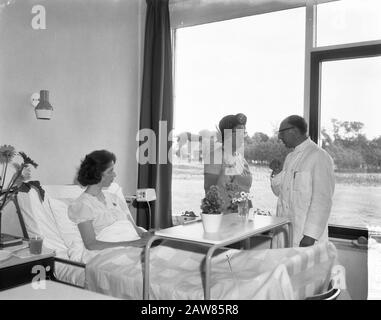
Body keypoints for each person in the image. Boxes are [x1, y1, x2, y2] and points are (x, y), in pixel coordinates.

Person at [270, 115, 335, 247]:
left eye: (281, 132)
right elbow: (279, 192)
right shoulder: (290, 157)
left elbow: (322, 200)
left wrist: (310, 236)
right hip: (284, 231)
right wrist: (277, 172)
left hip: (304, 236)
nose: (279, 137)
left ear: (293, 130)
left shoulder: (319, 156)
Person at [68, 150, 153, 250]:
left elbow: (135, 229)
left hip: (133, 246)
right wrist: (133, 243)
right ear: (97, 174)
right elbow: (91, 244)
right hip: (109, 252)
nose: (114, 175)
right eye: (110, 171)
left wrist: (150, 235)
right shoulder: (83, 204)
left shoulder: (114, 198)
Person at [204, 113, 252, 212]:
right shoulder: (215, 157)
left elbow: (245, 190)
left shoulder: (241, 159)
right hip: (222, 220)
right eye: (239, 131)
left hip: (242, 218)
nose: (242, 136)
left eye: (244, 131)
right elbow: (209, 193)